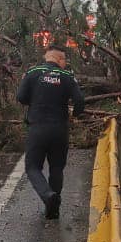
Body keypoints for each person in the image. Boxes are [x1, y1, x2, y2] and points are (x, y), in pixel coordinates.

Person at [16, 46, 85, 219]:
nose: (65, 63)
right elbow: (80, 101)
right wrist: (74, 115)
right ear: (60, 59)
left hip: (37, 127)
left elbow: (21, 97)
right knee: (56, 167)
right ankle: (53, 209)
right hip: (59, 129)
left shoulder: (33, 72)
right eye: (65, 60)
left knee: (32, 167)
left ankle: (48, 195)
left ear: (47, 57)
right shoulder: (67, 76)